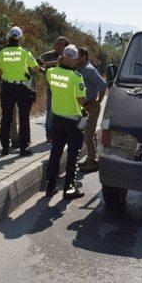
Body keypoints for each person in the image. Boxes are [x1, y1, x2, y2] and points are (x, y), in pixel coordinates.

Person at [44, 45, 87, 199]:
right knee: (72, 156)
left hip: (57, 120)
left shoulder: (51, 73)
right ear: (75, 59)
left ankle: (50, 188)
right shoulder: (76, 77)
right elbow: (81, 100)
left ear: (62, 56)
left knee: (55, 154)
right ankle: (69, 190)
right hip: (73, 122)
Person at [0, 26, 40, 156]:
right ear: (20, 38)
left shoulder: (2, 53)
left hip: (7, 88)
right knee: (24, 118)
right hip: (22, 88)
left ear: (9, 37)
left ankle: (5, 149)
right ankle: (23, 149)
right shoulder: (25, 52)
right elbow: (35, 68)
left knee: (6, 118)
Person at [76, 46, 106, 172]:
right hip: (84, 107)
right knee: (89, 134)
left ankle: (92, 162)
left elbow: (103, 85)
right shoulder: (80, 69)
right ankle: (91, 158)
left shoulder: (88, 70)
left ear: (84, 57)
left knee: (88, 135)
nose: (75, 58)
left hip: (91, 107)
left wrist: (98, 101)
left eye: (78, 55)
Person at [38, 36, 69, 141]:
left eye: (61, 44)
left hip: (65, 89)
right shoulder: (49, 55)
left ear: (66, 46)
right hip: (51, 88)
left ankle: (60, 135)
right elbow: (37, 61)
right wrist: (43, 71)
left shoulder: (67, 56)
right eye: (57, 43)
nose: (58, 45)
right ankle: (49, 136)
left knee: (63, 112)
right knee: (51, 112)